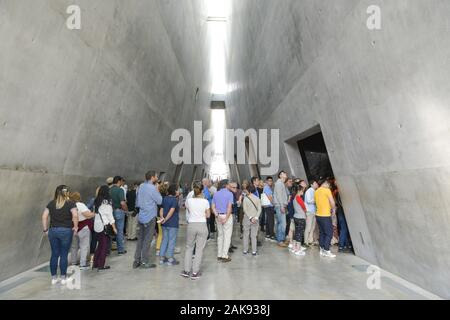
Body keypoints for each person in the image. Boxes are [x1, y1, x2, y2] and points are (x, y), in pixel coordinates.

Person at [41, 185, 78, 285]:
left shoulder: (51, 203)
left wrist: (45, 230)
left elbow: (44, 217)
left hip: (53, 231)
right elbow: (75, 215)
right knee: (64, 254)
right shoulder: (70, 203)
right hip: (66, 231)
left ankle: (53, 278)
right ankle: (63, 278)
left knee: (54, 254)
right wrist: (75, 227)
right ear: (66, 192)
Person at [181, 182, 211, 280]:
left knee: (189, 247)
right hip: (202, 225)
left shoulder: (189, 201)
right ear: (202, 190)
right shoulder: (205, 201)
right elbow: (208, 215)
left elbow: (189, 210)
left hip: (191, 225)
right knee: (199, 249)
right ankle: (195, 272)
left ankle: (186, 271)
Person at [134, 171, 162, 269]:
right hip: (150, 216)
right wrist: (157, 189)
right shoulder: (153, 188)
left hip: (141, 216)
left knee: (140, 239)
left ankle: (136, 260)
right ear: (152, 177)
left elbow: (137, 202)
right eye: (156, 176)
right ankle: (144, 262)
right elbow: (160, 201)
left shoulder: (141, 186)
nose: (157, 178)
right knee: (147, 240)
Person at [93, 185, 117, 270]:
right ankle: (101, 265)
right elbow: (110, 217)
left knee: (99, 245)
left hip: (97, 226)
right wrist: (114, 228)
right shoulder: (106, 203)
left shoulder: (96, 201)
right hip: (104, 226)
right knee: (104, 246)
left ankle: (95, 263)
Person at [69, 192, 95, 270]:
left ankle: (73, 263)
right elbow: (87, 215)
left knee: (74, 246)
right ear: (79, 197)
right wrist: (94, 213)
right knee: (84, 246)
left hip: (73, 227)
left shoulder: (69, 206)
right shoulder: (80, 205)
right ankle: (82, 264)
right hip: (83, 227)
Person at [211, 180, 234, 262]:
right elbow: (229, 207)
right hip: (226, 216)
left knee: (220, 235)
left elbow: (213, 207)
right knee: (227, 236)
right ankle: (225, 255)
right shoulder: (229, 194)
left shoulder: (216, 194)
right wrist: (226, 218)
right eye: (229, 184)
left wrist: (217, 215)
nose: (230, 186)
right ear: (226, 185)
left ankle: (219, 255)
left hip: (218, 216)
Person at [159, 184, 180, 266]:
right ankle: (170, 258)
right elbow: (171, 211)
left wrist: (162, 218)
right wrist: (166, 219)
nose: (179, 191)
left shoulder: (164, 198)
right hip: (172, 223)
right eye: (177, 190)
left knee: (164, 240)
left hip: (164, 224)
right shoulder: (174, 200)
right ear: (174, 191)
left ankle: (162, 258)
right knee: (171, 241)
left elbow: (161, 209)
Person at [315, 179, 337, 258]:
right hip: (325, 215)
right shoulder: (327, 190)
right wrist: (334, 209)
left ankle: (321, 249)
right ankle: (327, 250)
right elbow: (332, 202)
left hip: (318, 215)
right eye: (329, 184)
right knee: (329, 233)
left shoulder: (316, 191)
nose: (329, 186)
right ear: (325, 183)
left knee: (322, 232)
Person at [110, 176, 128, 255]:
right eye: (121, 181)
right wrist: (126, 210)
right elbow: (122, 203)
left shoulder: (109, 190)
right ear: (119, 181)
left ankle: (108, 250)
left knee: (110, 231)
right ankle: (120, 249)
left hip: (110, 212)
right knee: (119, 231)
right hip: (119, 211)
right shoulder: (120, 190)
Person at [242, 185, 262, 256]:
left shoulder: (245, 199)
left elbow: (245, 209)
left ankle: (245, 250)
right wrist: (256, 217)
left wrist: (250, 217)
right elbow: (259, 209)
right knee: (254, 235)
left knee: (246, 235)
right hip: (255, 220)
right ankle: (254, 251)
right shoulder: (257, 198)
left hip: (247, 219)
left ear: (249, 190)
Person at [273, 171, 289, 247]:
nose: (286, 174)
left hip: (281, 205)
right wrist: (282, 206)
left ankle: (280, 239)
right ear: (280, 175)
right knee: (282, 224)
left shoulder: (281, 183)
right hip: (280, 206)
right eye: (284, 173)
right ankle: (280, 240)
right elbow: (279, 196)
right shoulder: (279, 183)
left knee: (281, 223)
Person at [292, 186, 307, 256]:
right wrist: (306, 212)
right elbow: (304, 207)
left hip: (296, 216)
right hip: (301, 217)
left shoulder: (295, 198)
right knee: (300, 233)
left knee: (296, 232)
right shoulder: (298, 198)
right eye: (302, 190)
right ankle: (298, 249)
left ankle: (294, 247)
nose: (303, 192)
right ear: (299, 190)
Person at [304, 180, 319, 246]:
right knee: (308, 227)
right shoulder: (309, 191)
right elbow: (308, 201)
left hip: (314, 211)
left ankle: (310, 240)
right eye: (315, 183)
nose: (316, 184)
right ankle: (306, 241)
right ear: (311, 184)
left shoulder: (314, 191)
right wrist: (317, 200)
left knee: (312, 227)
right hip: (309, 211)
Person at [261, 177, 275, 241]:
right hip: (269, 206)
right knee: (271, 221)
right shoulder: (267, 187)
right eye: (269, 181)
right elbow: (270, 197)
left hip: (268, 206)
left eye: (271, 181)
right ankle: (271, 235)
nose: (270, 182)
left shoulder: (267, 187)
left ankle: (268, 234)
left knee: (268, 220)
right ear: (266, 181)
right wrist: (274, 204)